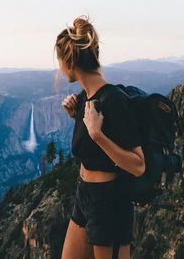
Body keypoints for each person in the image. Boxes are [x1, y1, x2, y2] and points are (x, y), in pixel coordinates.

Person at [54, 15, 145, 259]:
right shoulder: (85, 98)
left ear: (70, 62)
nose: (60, 70)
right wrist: (77, 118)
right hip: (84, 196)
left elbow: (138, 165)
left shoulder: (113, 100)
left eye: (60, 62)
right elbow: (95, 152)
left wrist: (96, 134)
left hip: (109, 202)